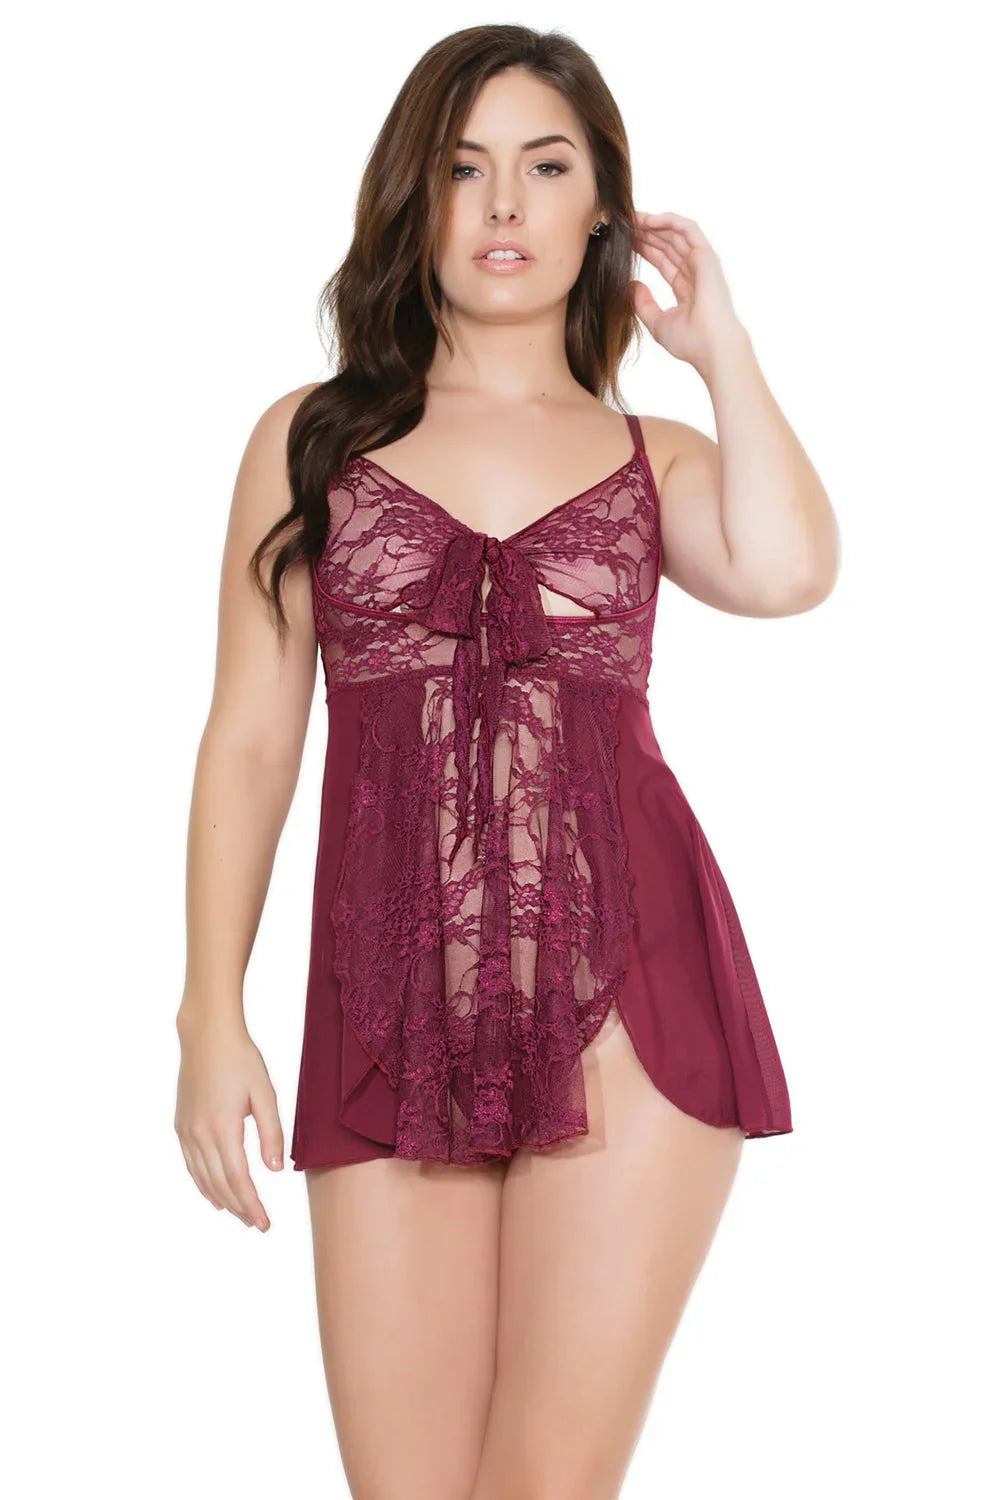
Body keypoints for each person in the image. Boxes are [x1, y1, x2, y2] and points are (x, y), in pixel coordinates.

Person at [174, 24, 838, 1500]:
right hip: (385, 1004)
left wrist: (722, 348)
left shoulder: (652, 457)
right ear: (413, 197)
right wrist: (209, 1013)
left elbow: (791, 570)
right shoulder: (309, 447)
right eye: (464, 168)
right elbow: (252, 737)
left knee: (543, 1484)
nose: (502, 206)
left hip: (630, 1005)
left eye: (546, 168)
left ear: (603, 208)